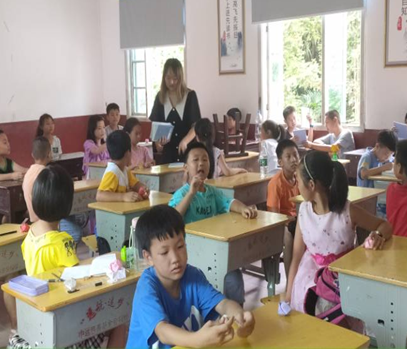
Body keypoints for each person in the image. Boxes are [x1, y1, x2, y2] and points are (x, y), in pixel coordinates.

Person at [11, 165, 125, 348]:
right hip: (63, 321)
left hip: (39, 318)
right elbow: (78, 279)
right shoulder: (62, 242)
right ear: (67, 204)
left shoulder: (30, 236)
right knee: (119, 320)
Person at [126, 205, 255, 349]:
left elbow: (222, 303)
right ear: (148, 257)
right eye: (164, 252)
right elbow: (162, 331)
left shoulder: (193, 276)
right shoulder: (146, 288)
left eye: (180, 246)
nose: (175, 258)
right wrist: (197, 339)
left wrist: (239, 315)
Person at [284, 151, 392, 321]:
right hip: (309, 277)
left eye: (298, 181)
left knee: (339, 323)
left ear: (311, 185)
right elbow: (296, 257)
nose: (297, 185)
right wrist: (288, 294)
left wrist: (378, 234)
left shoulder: (347, 211)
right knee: (310, 319)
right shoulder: (304, 211)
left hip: (342, 277)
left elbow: (385, 225)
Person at [169, 142, 257, 305]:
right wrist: (191, 193)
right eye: (195, 160)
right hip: (193, 252)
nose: (201, 164)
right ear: (185, 167)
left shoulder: (212, 192)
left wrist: (243, 208)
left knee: (233, 276)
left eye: (205, 160)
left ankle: (236, 312)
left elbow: (229, 202)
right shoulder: (182, 194)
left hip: (215, 249)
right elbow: (173, 219)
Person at [149, 59, 201, 163]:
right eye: (168, 78)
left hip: (187, 152)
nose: (171, 82)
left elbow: (196, 126)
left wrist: (185, 141)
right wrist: (157, 143)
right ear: (164, 77)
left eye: (175, 78)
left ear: (180, 78)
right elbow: (155, 124)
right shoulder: (160, 97)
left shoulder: (190, 96)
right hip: (168, 155)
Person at [266, 139, 300, 276]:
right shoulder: (275, 183)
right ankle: (290, 280)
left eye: (296, 155)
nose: (294, 160)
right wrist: (292, 220)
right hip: (281, 224)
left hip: (296, 220)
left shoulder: (300, 179)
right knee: (287, 236)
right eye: (288, 157)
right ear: (280, 162)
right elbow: (274, 216)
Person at [96, 130, 148, 202]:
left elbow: (135, 184)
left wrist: (143, 189)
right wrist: (123, 196)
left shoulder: (125, 170)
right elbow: (100, 195)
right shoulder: (112, 172)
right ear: (128, 153)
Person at [22, 137, 52, 223]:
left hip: (34, 221)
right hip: (45, 221)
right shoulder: (46, 173)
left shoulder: (28, 174)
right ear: (49, 154)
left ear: (32, 155)